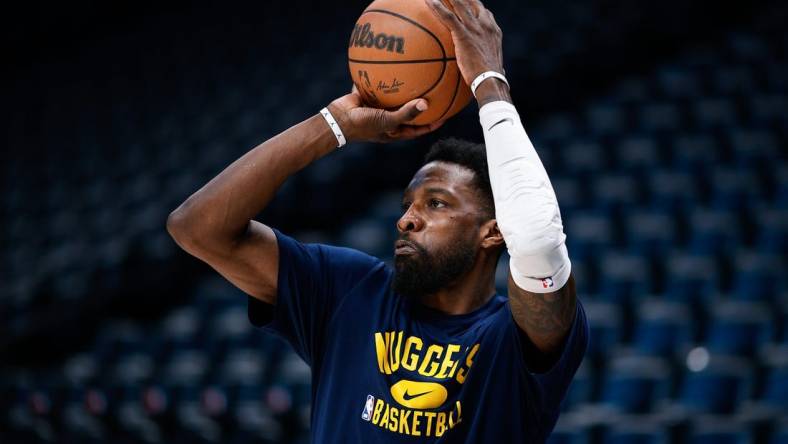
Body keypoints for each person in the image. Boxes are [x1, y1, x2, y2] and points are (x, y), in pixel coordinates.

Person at [167, 0, 588, 442]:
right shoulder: (348, 291)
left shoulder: (516, 340)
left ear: (494, 230)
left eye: (437, 204)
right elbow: (195, 227)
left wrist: (488, 83)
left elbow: (539, 240)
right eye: (408, 204)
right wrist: (334, 125)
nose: (407, 219)